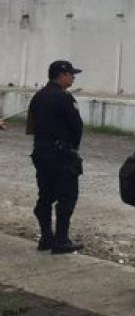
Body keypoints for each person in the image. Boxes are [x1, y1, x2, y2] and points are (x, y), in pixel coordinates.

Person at [26, 60, 85, 254]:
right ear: (62, 75)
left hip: (41, 152)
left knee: (46, 195)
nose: (73, 78)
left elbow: (31, 127)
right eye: (71, 74)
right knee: (67, 196)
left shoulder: (38, 96)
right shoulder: (64, 97)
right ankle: (61, 240)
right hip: (61, 154)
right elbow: (77, 126)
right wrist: (72, 149)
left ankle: (46, 237)